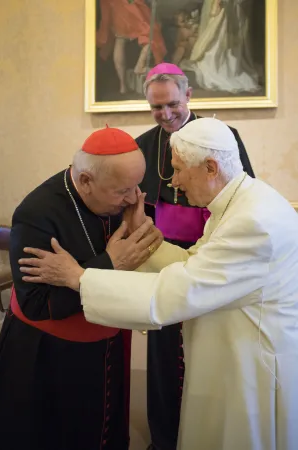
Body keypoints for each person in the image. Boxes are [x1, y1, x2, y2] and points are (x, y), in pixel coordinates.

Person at [20, 118, 298, 450]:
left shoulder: (253, 222)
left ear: (210, 167)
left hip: (249, 362)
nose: (174, 183)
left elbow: (176, 293)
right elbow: (197, 266)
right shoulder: (242, 202)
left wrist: (78, 277)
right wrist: (144, 238)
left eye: (178, 170)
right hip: (232, 345)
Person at [0, 126, 162, 450]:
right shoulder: (36, 214)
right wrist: (109, 263)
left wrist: (136, 227)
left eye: (136, 187)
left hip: (107, 341)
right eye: (122, 191)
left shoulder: (124, 202)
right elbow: (36, 304)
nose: (133, 198)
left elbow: (132, 258)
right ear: (86, 181)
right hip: (50, 354)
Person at [136, 62, 255, 450]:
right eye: (156, 107)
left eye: (171, 103)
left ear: (188, 96)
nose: (165, 114)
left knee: (209, 350)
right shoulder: (143, 144)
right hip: (160, 258)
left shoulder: (223, 136)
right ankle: (164, 436)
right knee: (163, 352)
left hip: (214, 254)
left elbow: (240, 193)